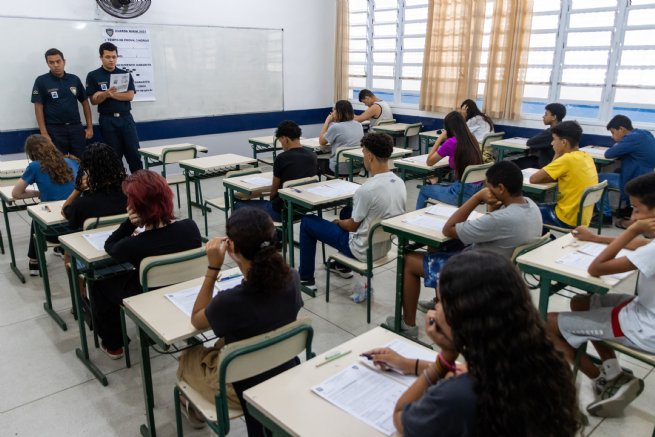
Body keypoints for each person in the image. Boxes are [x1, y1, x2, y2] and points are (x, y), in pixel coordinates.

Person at [364, 251, 580, 437]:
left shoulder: (458, 397)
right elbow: (469, 372)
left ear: (464, 319)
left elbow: (401, 415)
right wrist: (409, 364)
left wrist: (446, 355)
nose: (434, 308)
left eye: (440, 302)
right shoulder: (543, 363)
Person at [176, 207, 303, 435]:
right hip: (284, 366)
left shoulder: (230, 301)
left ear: (232, 248)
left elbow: (197, 319)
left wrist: (213, 268)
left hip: (241, 385)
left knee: (188, 356)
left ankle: (193, 408)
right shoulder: (292, 277)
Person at [391, 161, 542, 337]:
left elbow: (448, 229)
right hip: (501, 270)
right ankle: (441, 303)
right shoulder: (530, 205)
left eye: (488, 187)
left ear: (501, 188)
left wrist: (476, 198)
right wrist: (493, 205)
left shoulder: (503, 219)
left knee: (409, 260)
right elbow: (494, 224)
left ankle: (408, 325)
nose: (486, 190)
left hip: (476, 275)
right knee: (437, 245)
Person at [547, 172, 655, 417]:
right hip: (644, 309)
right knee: (580, 302)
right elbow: (642, 246)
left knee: (547, 323)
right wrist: (595, 238)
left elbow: (596, 268)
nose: (632, 217)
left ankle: (603, 380)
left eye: (637, 210)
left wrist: (632, 230)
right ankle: (614, 372)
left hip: (645, 327)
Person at [99, 170, 202, 358]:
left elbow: (110, 246)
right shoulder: (190, 227)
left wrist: (129, 224)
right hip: (184, 291)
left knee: (101, 284)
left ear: (135, 207)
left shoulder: (133, 244)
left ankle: (114, 345)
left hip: (150, 298)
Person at [298, 132, 406, 291]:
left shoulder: (367, 189)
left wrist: (338, 223)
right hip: (383, 247)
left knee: (308, 221)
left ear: (369, 156)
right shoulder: (399, 182)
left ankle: (306, 279)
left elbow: (351, 226)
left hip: (361, 250)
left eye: (363, 152)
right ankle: (342, 266)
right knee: (347, 211)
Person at [12, 134, 78, 276]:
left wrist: (37, 193)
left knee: (37, 217)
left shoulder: (35, 166)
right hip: (76, 225)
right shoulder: (71, 161)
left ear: (31, 153)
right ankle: (62, 249)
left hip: (52, 231)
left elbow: (16, 193)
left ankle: (34, 261)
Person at [234, 120, 316, 221]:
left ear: (285, 139)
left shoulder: (281, 158)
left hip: (282, 211)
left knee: (238, 205)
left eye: (281, 141)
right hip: (303, 209)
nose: (281, 146)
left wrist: (271, 200)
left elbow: (274, 191)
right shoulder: (312, 156)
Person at [86, 42, 143, 173]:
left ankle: (139, 183)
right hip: (108, 120)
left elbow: (129, 96)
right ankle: (118, 185)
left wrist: (108, 94)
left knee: (134, 154)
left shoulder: (125, 74)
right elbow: (94, 100)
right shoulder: (93, 75)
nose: (111, 60)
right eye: (108, 57)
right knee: (113, 157)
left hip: (126, 118)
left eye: (114, 57)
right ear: (101, 57)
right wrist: (105, 94)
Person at [530, 120, 598, 229]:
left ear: (563, 142)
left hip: (566, 218)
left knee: (528, 210)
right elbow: (554, 176)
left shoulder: (567, 159)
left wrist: (557, 154)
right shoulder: (586, 156)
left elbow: (533, 179)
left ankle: (543, 236)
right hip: (582, 217)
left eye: (554, 139)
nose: (552, 143)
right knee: (540, 207)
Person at [31, 48, 93, 158]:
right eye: (51, 62)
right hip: (54, 130)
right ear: (47, 63)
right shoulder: (41, 81)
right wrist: (44, 133)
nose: (55, 65)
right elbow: (38, 107)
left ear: (64, 61)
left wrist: (90, 127)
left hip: (75, 128)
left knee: (81, 161)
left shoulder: (74, 79)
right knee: (58, 163)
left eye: (58, 61)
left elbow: (85, 103)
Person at [415, 111, 483, 209]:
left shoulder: (451, 142)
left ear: (448, 127)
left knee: (424, 190)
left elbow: (429, 161)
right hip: (477, 190)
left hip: (461, 192)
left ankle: (418, 217)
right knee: (440, 184)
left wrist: (440, 138)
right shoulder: (471, 138)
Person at [597, 115, 655, 228]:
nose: (612, 137)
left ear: (622, 129)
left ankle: (605, 215)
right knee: (617, 170)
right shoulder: (645, 133)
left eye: (613, 132)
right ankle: (627, 210)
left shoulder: (632, 138)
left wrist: (618, 144)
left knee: (597, 178)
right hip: (646, 180)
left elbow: (609, 154)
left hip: (635, 182)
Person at [61, 142, 128, 230]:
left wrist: (78, 189)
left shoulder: (81, 205)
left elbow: (64, 212)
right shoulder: (131, 196)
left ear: (88, 170)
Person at [319, 100, 364, 176]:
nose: (332, 112)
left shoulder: (336, 127)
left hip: (338, 169)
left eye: (334, 109)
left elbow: (321, 141)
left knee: (316, 163)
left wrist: (327, 121)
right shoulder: (359, 125)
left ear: (339, 112)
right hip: (356, 167)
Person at [517, 102, 567, 169]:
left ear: (554, 117)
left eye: (546, 114)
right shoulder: (565, 129)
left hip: (545, 165)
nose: (543, 116)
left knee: (512, 164)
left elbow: (530, 142)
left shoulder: (552, 132)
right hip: (557, 164)